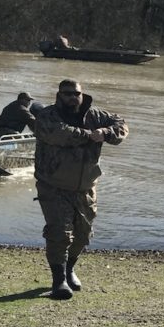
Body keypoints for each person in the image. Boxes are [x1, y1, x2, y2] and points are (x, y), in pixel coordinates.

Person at [33, 79, 129, 300]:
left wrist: (105, 132)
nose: (71, 97)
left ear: (82, 95)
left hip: (85, 186)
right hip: (53, 185)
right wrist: (89, 135)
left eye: (75, 93)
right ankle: (59, 282)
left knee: (83, 234)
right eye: (66, 93)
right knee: (59, 232)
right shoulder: (47, 116)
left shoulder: (96, 116)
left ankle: (69, 268)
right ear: (59, 95)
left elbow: (121, 125)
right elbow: (60, 134)